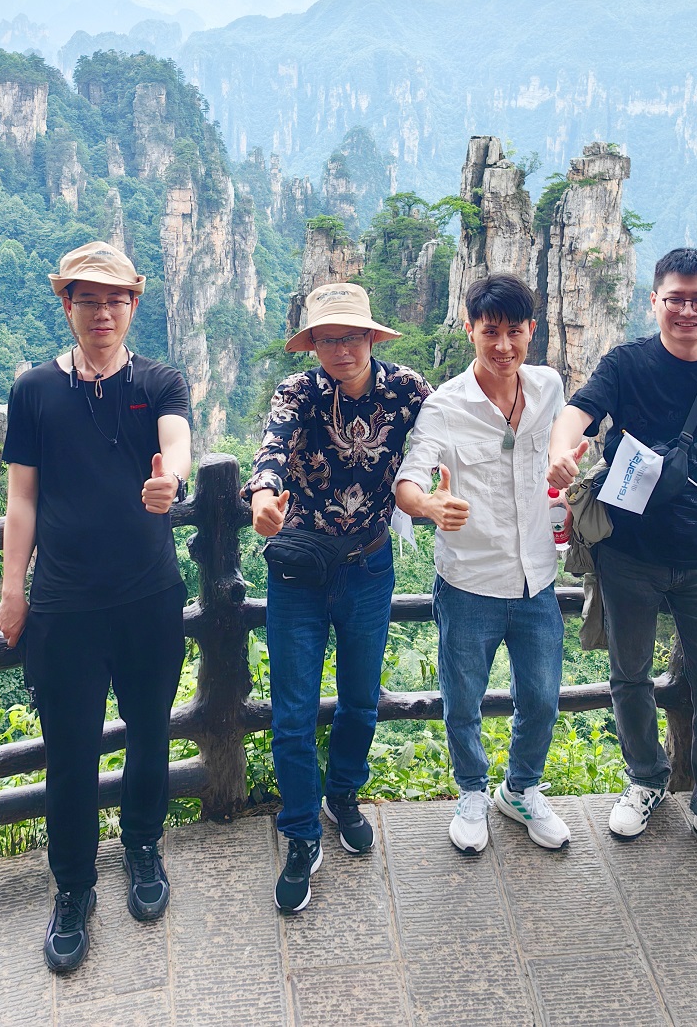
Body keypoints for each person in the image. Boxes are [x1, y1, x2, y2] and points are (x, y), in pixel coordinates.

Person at [548, 247, 697, 880]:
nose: (687, 311)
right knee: (630, 676)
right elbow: (578, 413)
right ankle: (646, 779)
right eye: (675, 298)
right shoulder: (627, 364)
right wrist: (563, 451)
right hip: (630, 553)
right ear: (654, 301)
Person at [0, 241, 191, 972]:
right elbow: (22, 498)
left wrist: (171, 481)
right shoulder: (34, 390)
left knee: (149, 732)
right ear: (67, 304)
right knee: (70, 752)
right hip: (64, 605)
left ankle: (143, 847)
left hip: (148, 596)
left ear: (133, 305)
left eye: (116, 299)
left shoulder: (160, 381)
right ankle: (73, 886)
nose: (102, 312)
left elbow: (177, 443)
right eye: (88, 299)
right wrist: (13, 590)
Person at [245, 283, 431, 913]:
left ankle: (343, 795)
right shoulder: (297, 392)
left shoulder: (406, 389)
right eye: (327, 339)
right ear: (313, 345)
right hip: (299, 570)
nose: (341, 349)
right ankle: (300, 831)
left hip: (369, 566)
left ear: (372, 337)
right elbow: (272, 449)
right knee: (293, 712)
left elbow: (449, 432)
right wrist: (263, 496)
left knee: (359, 699)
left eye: (351, 336)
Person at [395, 273, 570, 854]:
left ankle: (519, 789)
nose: (503, 345)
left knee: (541, 698)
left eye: (514, 332)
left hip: (537, 577)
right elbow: (409, 479)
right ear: (469, 329)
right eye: (490, 331)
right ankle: (471, 791)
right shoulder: (445, 406)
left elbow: (560, 451)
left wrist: (565, 477)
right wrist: (428, 504)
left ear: (532, 332)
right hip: (469, 580)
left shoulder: (548, 387)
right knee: (463, 700)